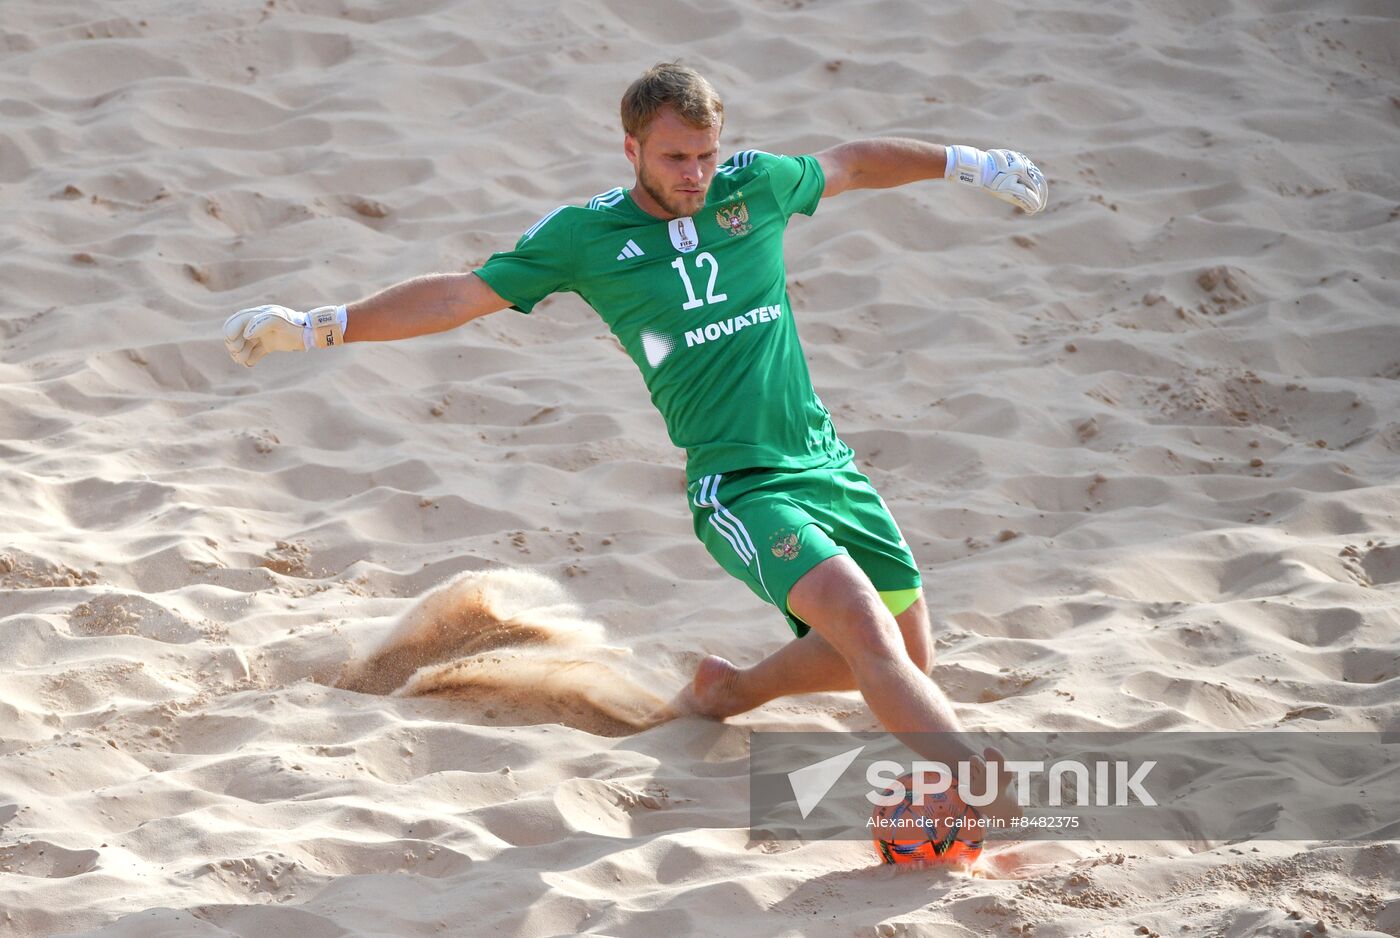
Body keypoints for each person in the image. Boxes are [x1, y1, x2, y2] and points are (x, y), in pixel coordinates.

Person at [223, 63, 1046, 784]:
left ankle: (729, 692)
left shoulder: (754, 187)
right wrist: (317, 324)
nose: (694, 174)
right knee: (871, 640)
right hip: (743, 485)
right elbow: (460, 295)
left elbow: (855, 163)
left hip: (830, 467)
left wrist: (970, 164)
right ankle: (982, 787)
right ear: (632, 150)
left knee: (907, 658)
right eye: (674, 158)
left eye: (705, 155)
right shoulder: (585, 236)